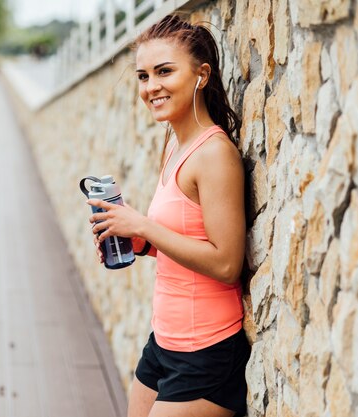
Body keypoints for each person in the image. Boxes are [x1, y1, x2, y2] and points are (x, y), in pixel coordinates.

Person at [87, 15, 250, 417]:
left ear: (201, 75)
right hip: (165, 341)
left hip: (206, 351)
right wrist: (141, 243)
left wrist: (144, 226)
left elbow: (227, 263)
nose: (151, 87)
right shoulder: (176, 145)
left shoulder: (214, 154)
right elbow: (189, 240)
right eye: (143, 76)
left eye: (164, 71)